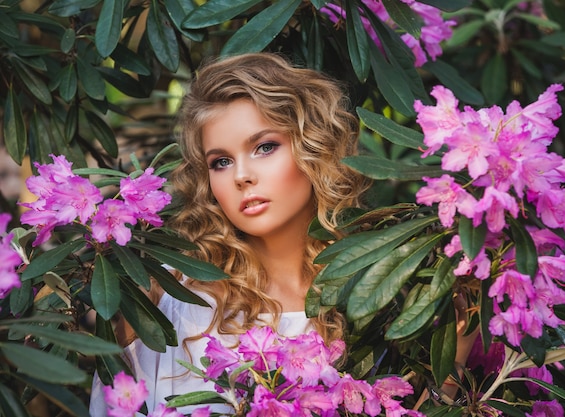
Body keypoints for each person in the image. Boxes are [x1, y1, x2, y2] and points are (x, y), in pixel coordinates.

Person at [89, 52, 371, 416]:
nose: (241, 175)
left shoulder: (370, 291)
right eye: (221, 161)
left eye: (264, 147)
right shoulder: (173, 301)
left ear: (313, 149)